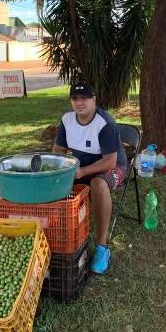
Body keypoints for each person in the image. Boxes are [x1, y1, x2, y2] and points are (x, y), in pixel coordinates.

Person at [53, 81, 127, 275]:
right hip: (80, 165)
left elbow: (110, 162)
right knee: (56, 180)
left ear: (93, 100)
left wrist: (83, 172)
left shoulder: (104, 123)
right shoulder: (67, 120)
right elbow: (58, 150)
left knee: (98, 184)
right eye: (75, 98)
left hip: (113, 166)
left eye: (84, 98)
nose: (80, 102)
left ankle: (102, 248)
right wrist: (60, 169)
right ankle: (61, 234)